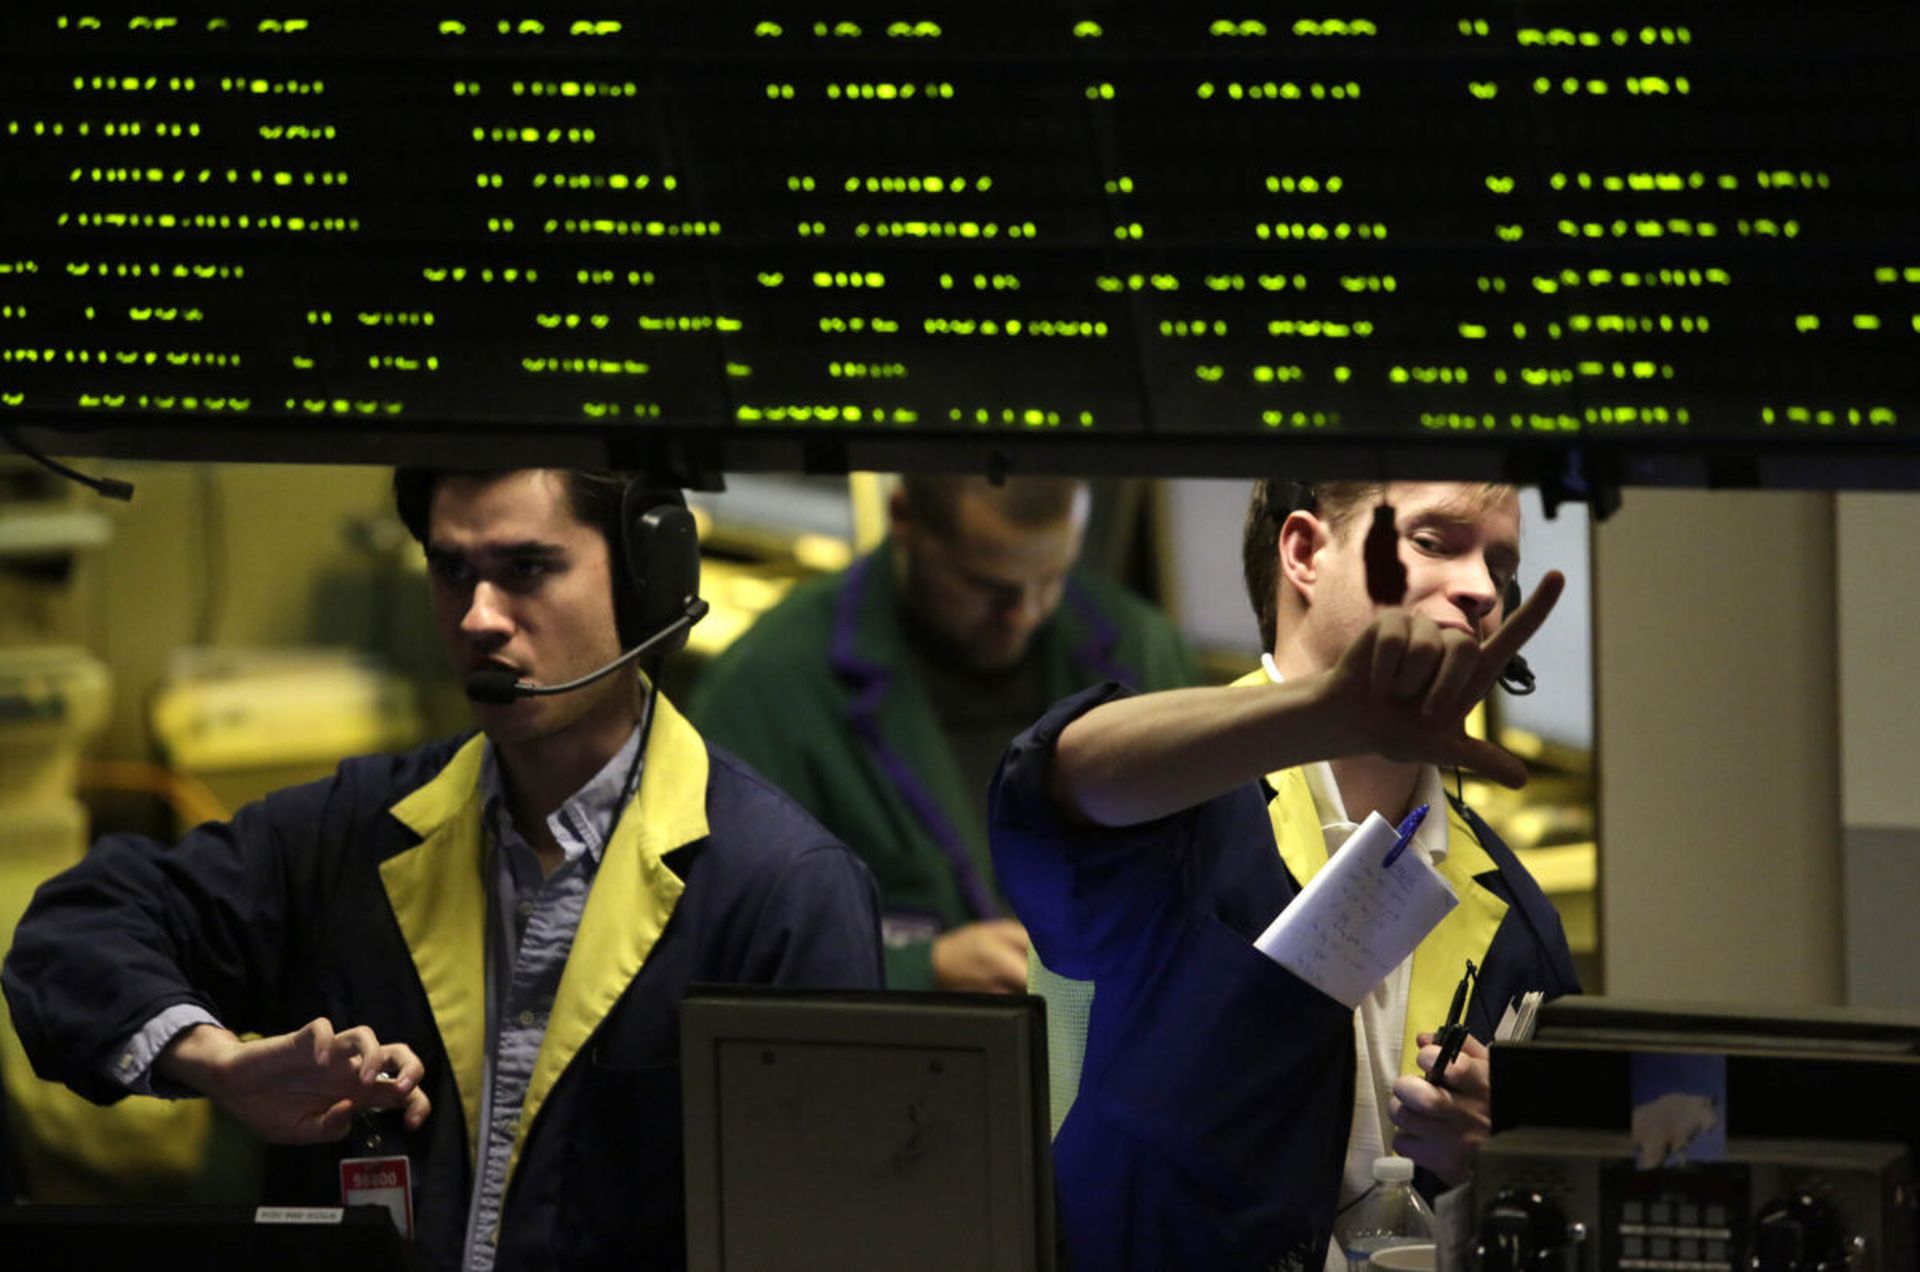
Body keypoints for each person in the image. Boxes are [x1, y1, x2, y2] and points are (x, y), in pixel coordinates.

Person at [2, 468, 883, 1271]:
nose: (477, 618)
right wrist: (218, 1062)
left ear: (651, 583)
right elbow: (70, 935)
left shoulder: (784, 891)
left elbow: (830, 1234)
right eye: (452, 571)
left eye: (527, 570)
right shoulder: (357, 830)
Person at [989, 479, 1582, 1270]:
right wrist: (1326, 715)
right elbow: (1053, 780)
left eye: (1500, 567)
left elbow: (1574, 1208)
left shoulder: (1518, 917)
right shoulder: (1176, 810)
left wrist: (1501, 1158)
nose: (1481, 589)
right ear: (1303, 552)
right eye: (1435, 543)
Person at [690, 474, 1194, 992]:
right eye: (986, 586)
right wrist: (918, 970)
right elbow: (719, 949)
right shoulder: (768, 687)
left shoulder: (1144, 652)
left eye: (1052, 578)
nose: (1023, 614)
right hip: (893, 1058)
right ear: (904, 518)